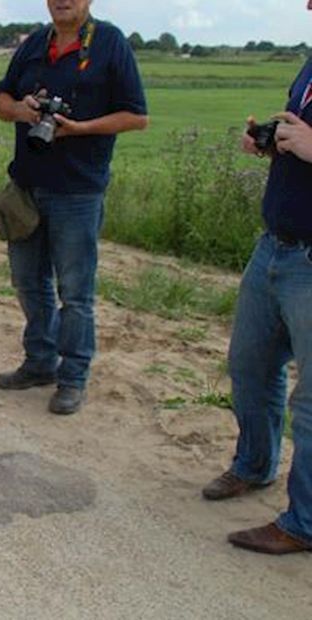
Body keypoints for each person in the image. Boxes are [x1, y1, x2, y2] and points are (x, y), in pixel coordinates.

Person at [0, 0, 147, 415]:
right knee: (28, 282)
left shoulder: (110, 43)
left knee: (76, 294)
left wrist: (80, 129)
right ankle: (40, 361)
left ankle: (73, 377)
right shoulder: (34, 44)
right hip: (26, 186)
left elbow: (136, 117)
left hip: (78, 190)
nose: (62, 1)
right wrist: (21, 110)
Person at [201, 0, 312, 556]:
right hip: (275, 246)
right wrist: (273, 141)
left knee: (311, 402)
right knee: (251, 366)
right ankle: (254, 465)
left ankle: (305, 523)